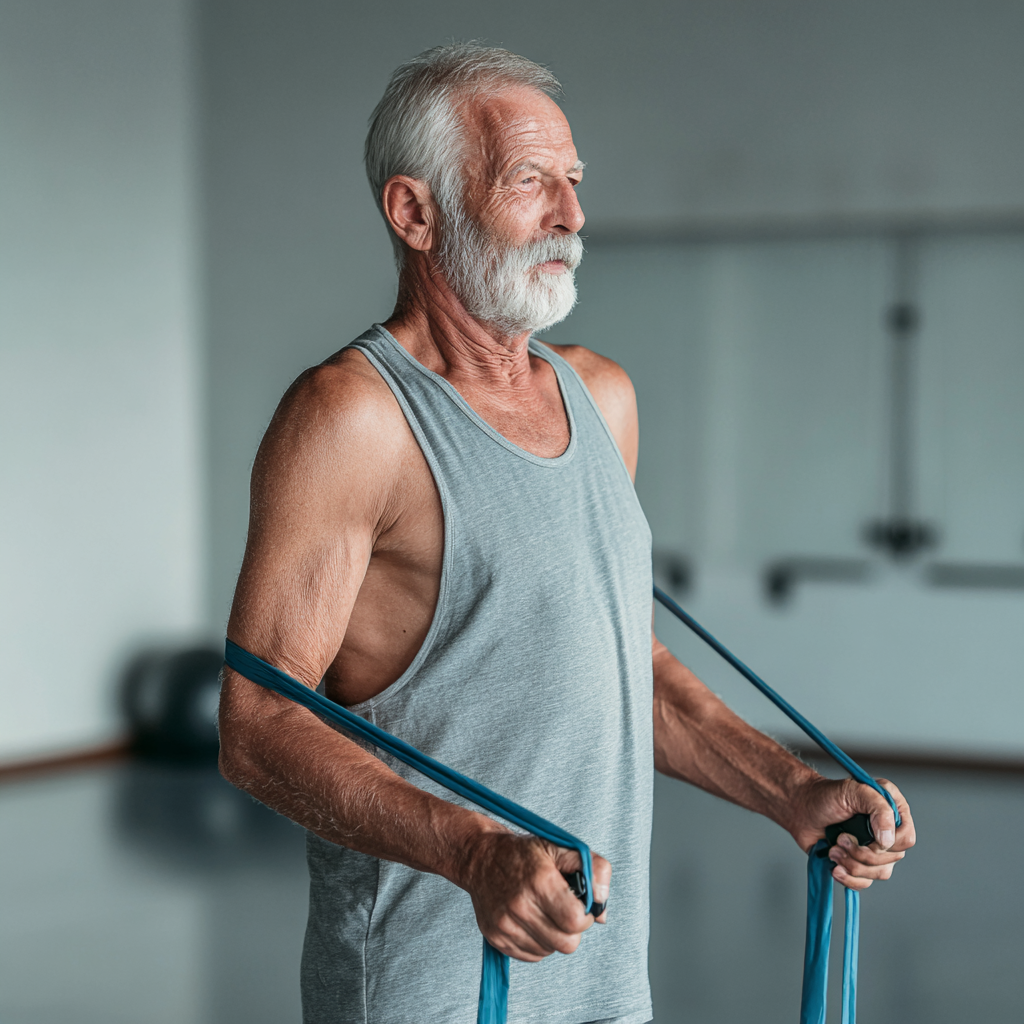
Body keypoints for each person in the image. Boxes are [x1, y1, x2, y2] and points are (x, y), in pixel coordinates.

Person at [218, 42, 916, 1024]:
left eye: (574, 182)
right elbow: (257, 731)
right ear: (414, 213)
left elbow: (621, 662)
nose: (572, 217)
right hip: (431, 990)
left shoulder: (602, 397)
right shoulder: (351, 421)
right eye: (529, 182)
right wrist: (471, 849)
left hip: (598, 981)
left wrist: (787, 787)